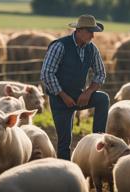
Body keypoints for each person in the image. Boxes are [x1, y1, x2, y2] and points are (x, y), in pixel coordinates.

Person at [40, 14, 110, 160]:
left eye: (94, 32)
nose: (93, 36)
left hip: (79, 97)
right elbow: (47, 74)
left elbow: (101, 73)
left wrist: (89, 92)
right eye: (90, 32)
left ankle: (97, 141)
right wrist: (63, 96)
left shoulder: (92, 49)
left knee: (102, 99)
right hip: (60, 100)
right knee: (64, 142)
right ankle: (65, 172)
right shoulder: (60, 46)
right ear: (79, 31)